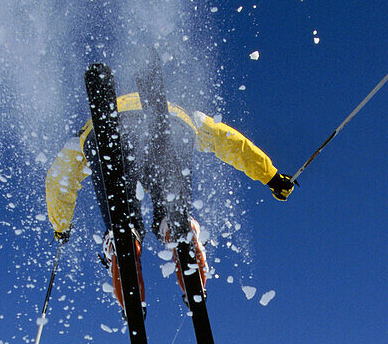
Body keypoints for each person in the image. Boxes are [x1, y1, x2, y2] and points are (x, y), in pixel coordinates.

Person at [44, 92, 294, 310]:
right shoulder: (183, 108)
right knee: (170, 202)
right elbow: (232, 141)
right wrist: (271, 177)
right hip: (172, 120)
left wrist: (61, 228)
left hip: (102, 132)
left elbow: (58, 180)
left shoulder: (82, 131)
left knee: (122, 213)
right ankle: (177, 226)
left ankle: (123, 239)